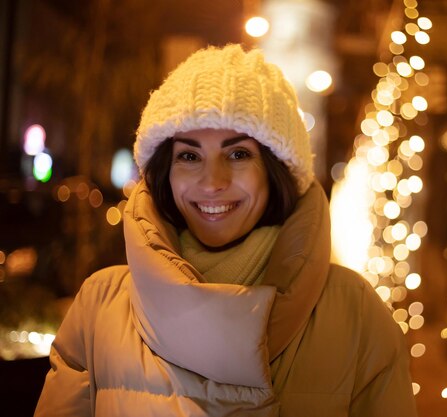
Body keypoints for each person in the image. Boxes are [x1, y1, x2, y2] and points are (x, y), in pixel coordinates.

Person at [34, 44, 417, 416]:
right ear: (164, 172)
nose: (212, 181)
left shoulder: (356, 315)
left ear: (276, 170)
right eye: (188, 155)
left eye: (238, 154)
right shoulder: (99, 308)